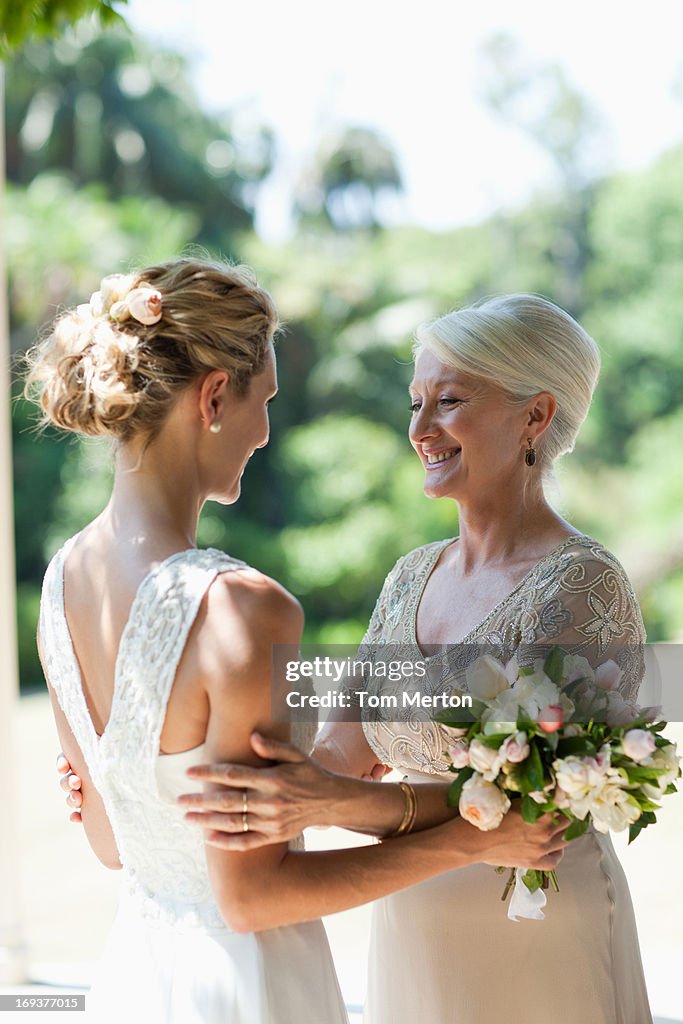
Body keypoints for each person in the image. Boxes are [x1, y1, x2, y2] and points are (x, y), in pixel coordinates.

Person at [93, 293, 649, 1024]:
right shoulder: (409, 577)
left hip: (536, 926)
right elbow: (334, 757)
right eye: (415, 402)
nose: (419, 429)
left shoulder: (582, 585)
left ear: (535, 417)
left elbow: (533, 814)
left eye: (447, 400)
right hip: (407, 917)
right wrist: (154, 781)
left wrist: (335, 804)